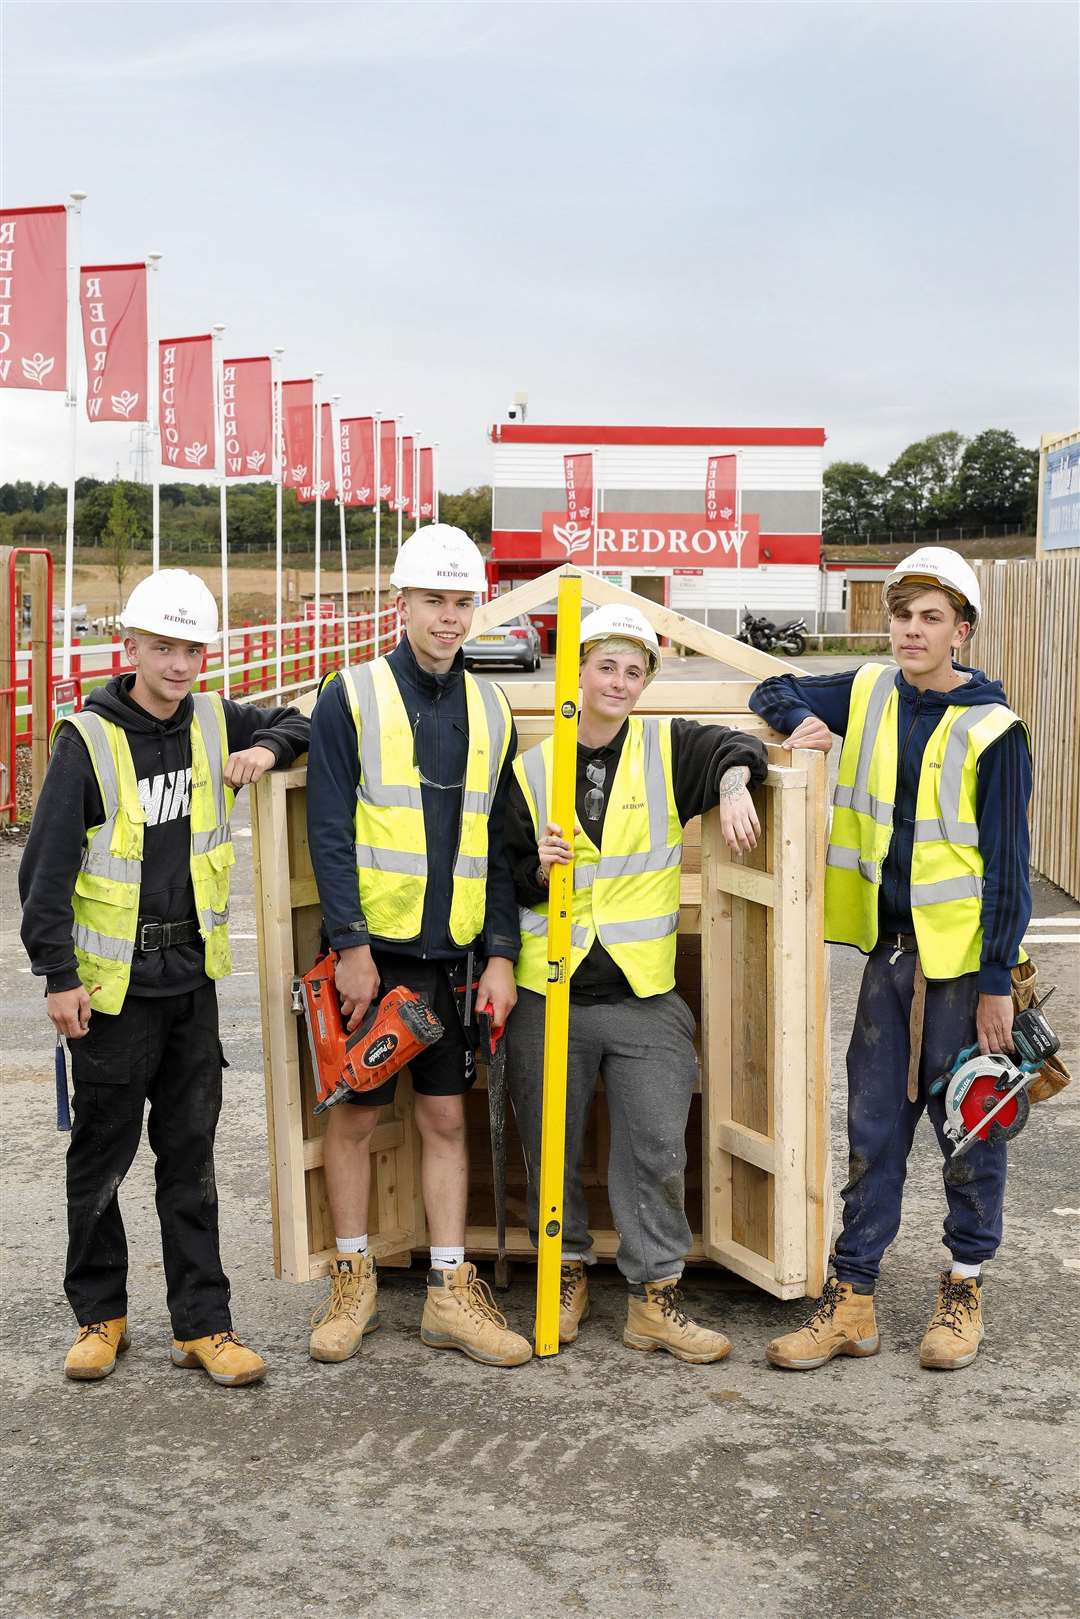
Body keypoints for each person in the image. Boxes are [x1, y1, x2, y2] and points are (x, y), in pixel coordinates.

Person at [20, 569, 310, 1385]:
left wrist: (265, 748)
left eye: (192, 649)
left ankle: (203, 1325)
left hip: (193, 984)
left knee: (193, 1159)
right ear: (132, 646)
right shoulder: (90, 739)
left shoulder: (218, 722)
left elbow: (301, 722)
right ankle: (100, 1316)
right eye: (164, 647)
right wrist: (58, 975)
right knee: (101, 1160)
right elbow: (44, 873)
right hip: (111, 995)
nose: (179, 664)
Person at [751, 547, 1031, 1372]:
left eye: (931, 618)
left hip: (962, 973)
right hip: (892, 959)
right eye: (903, 616)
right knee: (872, 1129)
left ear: (962, 631)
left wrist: (995, 985)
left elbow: (1009, 870)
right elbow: (777, 685)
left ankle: (965, 1284)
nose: (912, 631)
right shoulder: (873, 689)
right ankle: (853, 1299)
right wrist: (791, 719)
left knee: (970, 1129)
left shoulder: (995, 730)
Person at [504, 604, 770, 1362]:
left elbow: (736, 742)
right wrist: (538, 870)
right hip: (547, 991)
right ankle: (566, 1271)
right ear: (577, 672)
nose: (619, 682)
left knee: (657, 1148)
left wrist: (734, 785)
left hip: (644, 996)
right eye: (605, 667)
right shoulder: (530, 770)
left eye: (634, 670)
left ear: (646, 680)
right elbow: (504, 878)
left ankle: (655, 1297)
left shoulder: (667, 747)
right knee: (546, 1147)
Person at [305, 524, 532, 1368]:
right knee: (356, 1116)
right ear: (400, 603)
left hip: (456, 961)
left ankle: (446, 1291)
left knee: (444, 1117)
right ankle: (353, 1276)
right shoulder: (352, 695)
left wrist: (501, 955)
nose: (449, 616)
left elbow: (500, 846)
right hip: (375, 960)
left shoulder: (491, 706)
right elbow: (327, 831)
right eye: (434, 599)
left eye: (462, 600)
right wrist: (350, 945)